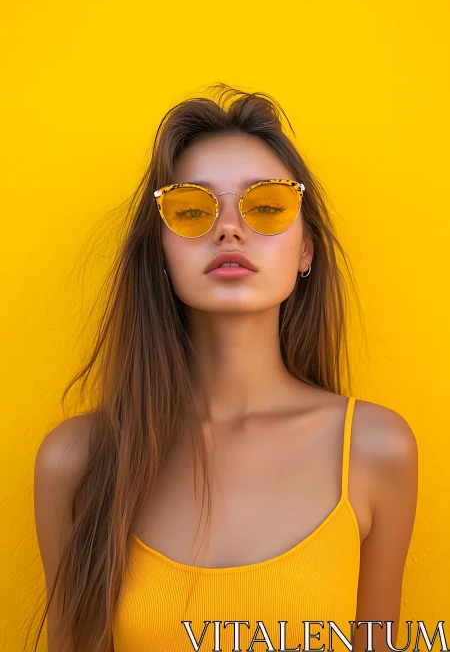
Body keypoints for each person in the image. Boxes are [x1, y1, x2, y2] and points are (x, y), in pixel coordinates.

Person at [33, 84, 418, 652]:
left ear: (307, 249)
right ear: (159, 248)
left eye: (267, 206)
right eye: (191, 210)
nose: (229, 228)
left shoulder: (375, 449)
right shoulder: (77, 460)